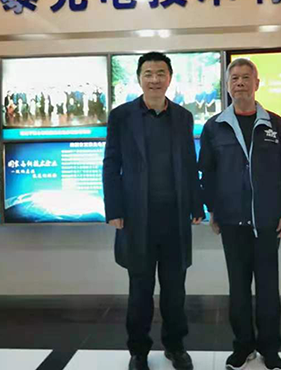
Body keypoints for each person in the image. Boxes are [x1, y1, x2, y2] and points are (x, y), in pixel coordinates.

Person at [198, 58, 281, 370]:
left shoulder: (275, 125)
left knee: (268, 289)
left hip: (268, 222)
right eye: (234, 78)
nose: (240, 83)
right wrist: (212, 209)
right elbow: (207, 173)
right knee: (239, 290)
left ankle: (270, 348)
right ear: (227, 85)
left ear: (257, 83)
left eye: (246, 77)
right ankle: (243, 347)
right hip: (232, 222)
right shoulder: (214, 126)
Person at [103, 52, 204, 370]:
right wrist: (114, 208)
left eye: (161, 73)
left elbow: (189, 163)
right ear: (139, 78)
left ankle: (175, 346)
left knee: (175, 290)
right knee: (140, 290)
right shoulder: (121, 116)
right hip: (137, 218)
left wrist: (196, 203)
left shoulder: (183, 117)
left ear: (170, 78)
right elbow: (111, 163)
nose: (155, 79)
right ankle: (138, 351)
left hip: (174, 218)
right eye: (148, 73)